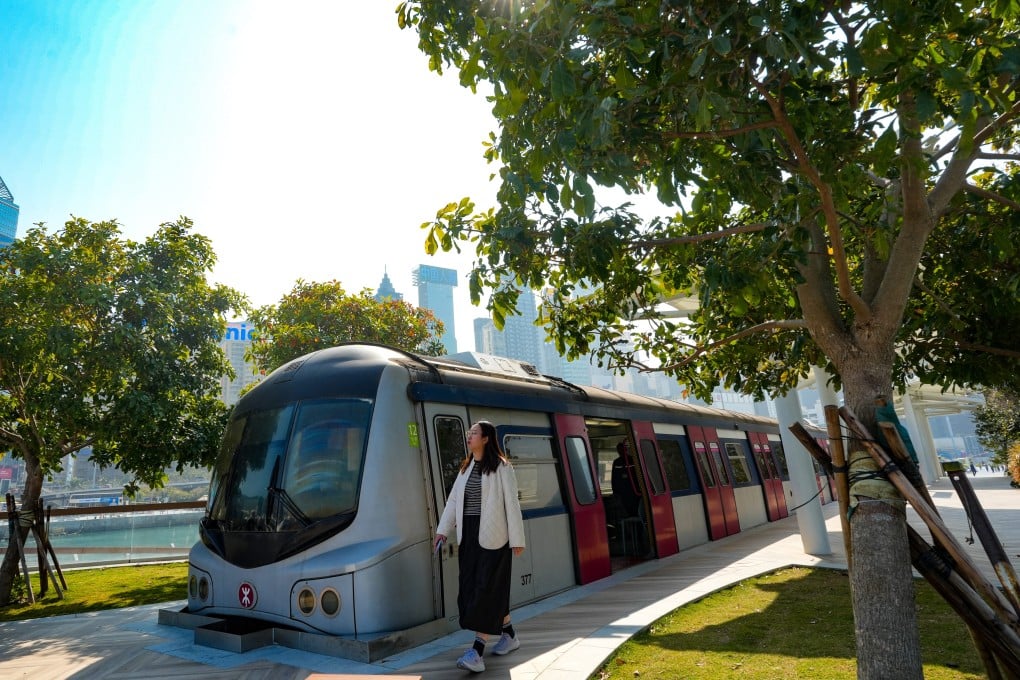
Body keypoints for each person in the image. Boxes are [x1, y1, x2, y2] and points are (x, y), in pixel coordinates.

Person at [435, 421, 526, 673]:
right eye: (469, 433)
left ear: (486, 438)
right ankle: (509, 635)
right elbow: (453, 501)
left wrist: (517, 539)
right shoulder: (465, 469)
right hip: (469, 536)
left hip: (495, 537)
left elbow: (512, 504)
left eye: (474, 433)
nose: (469, 436)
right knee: (475, 587)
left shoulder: (502, 467)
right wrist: (442, 531)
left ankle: (477, 651)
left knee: (486, 589)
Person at [611, 441, 642, 518]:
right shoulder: (616, 462)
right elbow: (613, 478)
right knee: (625, 513)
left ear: (625, 449)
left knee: (635, 512)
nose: (620, 451)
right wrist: (615, 491)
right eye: (619, 450)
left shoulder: (633, 460)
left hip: (633, 492)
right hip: (622, 493)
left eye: (622, 449)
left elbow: (638, 475)